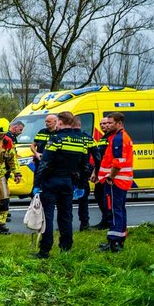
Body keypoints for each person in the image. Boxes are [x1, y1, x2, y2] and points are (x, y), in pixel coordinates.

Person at [33, 111, 92, 259]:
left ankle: (45, 250)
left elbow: (44, 163)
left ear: (60, 122)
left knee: (48, 216)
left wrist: (37, 184)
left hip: (51, 181)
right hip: (68, 183)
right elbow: (85, 166)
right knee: (66, 216)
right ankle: (66, 248)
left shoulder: (56, 139)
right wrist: (81, 185)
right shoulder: (81, 142)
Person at [97, 111, 134, 253]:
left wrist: (110, 178)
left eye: (111, 123)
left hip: (116, 181)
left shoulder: (118, 138)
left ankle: (114, 243)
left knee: (114, 211)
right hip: (121, 180)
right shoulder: (120, 137)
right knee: (119, 209)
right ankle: (118, 239)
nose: (107, 125)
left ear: (118, 123)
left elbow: (118, 162)